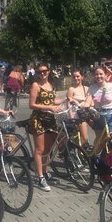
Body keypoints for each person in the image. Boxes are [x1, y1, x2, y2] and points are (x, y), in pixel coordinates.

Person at [28, 63, 64, 192]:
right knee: (40, 149)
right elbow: (32, 105)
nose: (42, 74)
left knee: (48, 149)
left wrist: (66, 99)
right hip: (38, 119)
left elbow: (53, 101)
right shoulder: (35, 85)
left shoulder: (51, 85)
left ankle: (45, 171)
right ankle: (40, 177)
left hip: (51, 119)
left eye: (44, 71)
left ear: (49, 72)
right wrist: (49, 107)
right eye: (39, 72)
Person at [66, 69, 90, 146]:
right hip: (76, 116)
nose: (76, 78)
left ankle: (82, 152)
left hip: (85, 114)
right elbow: (68, 104)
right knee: (84, 138)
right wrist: (71, 117)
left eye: (78, 76)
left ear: (82, 77)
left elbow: (90, 101)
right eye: (74, 77)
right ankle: (80, 154)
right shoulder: (71, 89)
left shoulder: (86, 88)